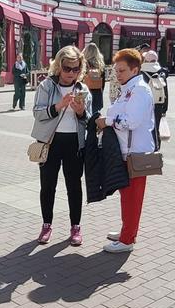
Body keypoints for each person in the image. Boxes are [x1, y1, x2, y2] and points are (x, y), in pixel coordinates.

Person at [96, 49, 156, 253]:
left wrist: (107, 121)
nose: (117, 74)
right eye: (116, 70)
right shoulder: (129, 89)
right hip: (125, 152)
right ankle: (126, 232)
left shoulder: (139, 90)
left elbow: (131, 121)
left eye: (121, 70)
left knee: (132, 198)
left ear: (135, 70)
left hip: (135, 154)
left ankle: (127, 240)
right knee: (127, 196)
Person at [31, 45, 90, 246]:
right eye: (67, 68)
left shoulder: (82, 89)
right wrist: (59, 106)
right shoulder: (47, 86)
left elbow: (88, 120)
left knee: (74, 186)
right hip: (51, 142)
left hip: (74, 143)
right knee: (48, 186)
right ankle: (46, 225)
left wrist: (81, 112)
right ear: (58, 66)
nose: (71, 73)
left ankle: (76, 227)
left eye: (76, 69)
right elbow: (37, 113)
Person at [140, 50, 168, 150]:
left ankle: (146, 147)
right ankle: (156, 147)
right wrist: (165, 108)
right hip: (159, 103)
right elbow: (165, 91)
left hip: (145, 103)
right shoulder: (161, 72)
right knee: (156, 126)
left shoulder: (141, 71)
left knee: (145, 126)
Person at [82, 43, 106, 113]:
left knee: (84, 113)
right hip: (97, 92)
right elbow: (103, 82)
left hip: (85, 91)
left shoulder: (83, 63)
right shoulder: (100, 64)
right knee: (94, 114)